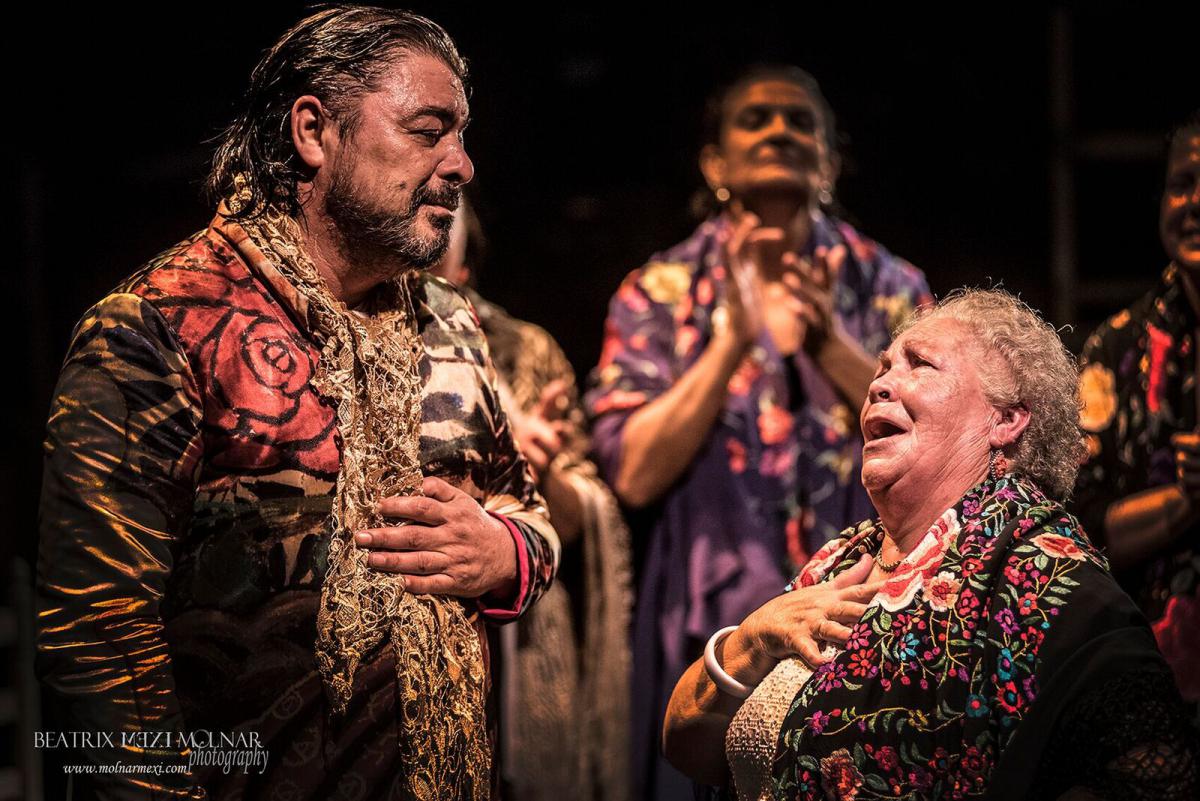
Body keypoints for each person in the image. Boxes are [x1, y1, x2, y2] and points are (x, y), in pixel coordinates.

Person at [35, 7, 558, 800]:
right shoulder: (158, 325)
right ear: (314, 131)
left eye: (461, 135)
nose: (461, 165)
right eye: (428, 131)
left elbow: (530, 514)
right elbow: (95, 636)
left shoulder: (451, 323)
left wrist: (502, 550)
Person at [663, 289, 1197, 801]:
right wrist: (753, 638)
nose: (879, 384)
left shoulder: (1042, 577)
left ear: (1006, 419)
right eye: (883, 368)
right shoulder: (841, 559)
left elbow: (1153, 773)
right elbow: (685, 745)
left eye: (919, 364)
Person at [583, 64, 930, 799]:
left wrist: (833, 347)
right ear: (714, 163)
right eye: (755, 119)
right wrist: (729, 345)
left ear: (829, 159)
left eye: (801, 121)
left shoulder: (892, 287)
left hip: (864, 611)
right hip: (710, 616)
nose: (779, 131)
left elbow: (944, 445)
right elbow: (634, 475)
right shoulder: (660, 291)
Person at [431, 202, 632, 801]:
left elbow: (582, 517)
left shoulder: (522, 349)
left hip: (519, 637)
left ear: (463, 269)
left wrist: (529, 469)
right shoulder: (334, 324)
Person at [1074, 111, 1200, 710]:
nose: (1194, 203)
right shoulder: (1115, 350)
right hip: (1153, 687)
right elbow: (1078, 533)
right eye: (1182, 184)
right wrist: (1186, 499)